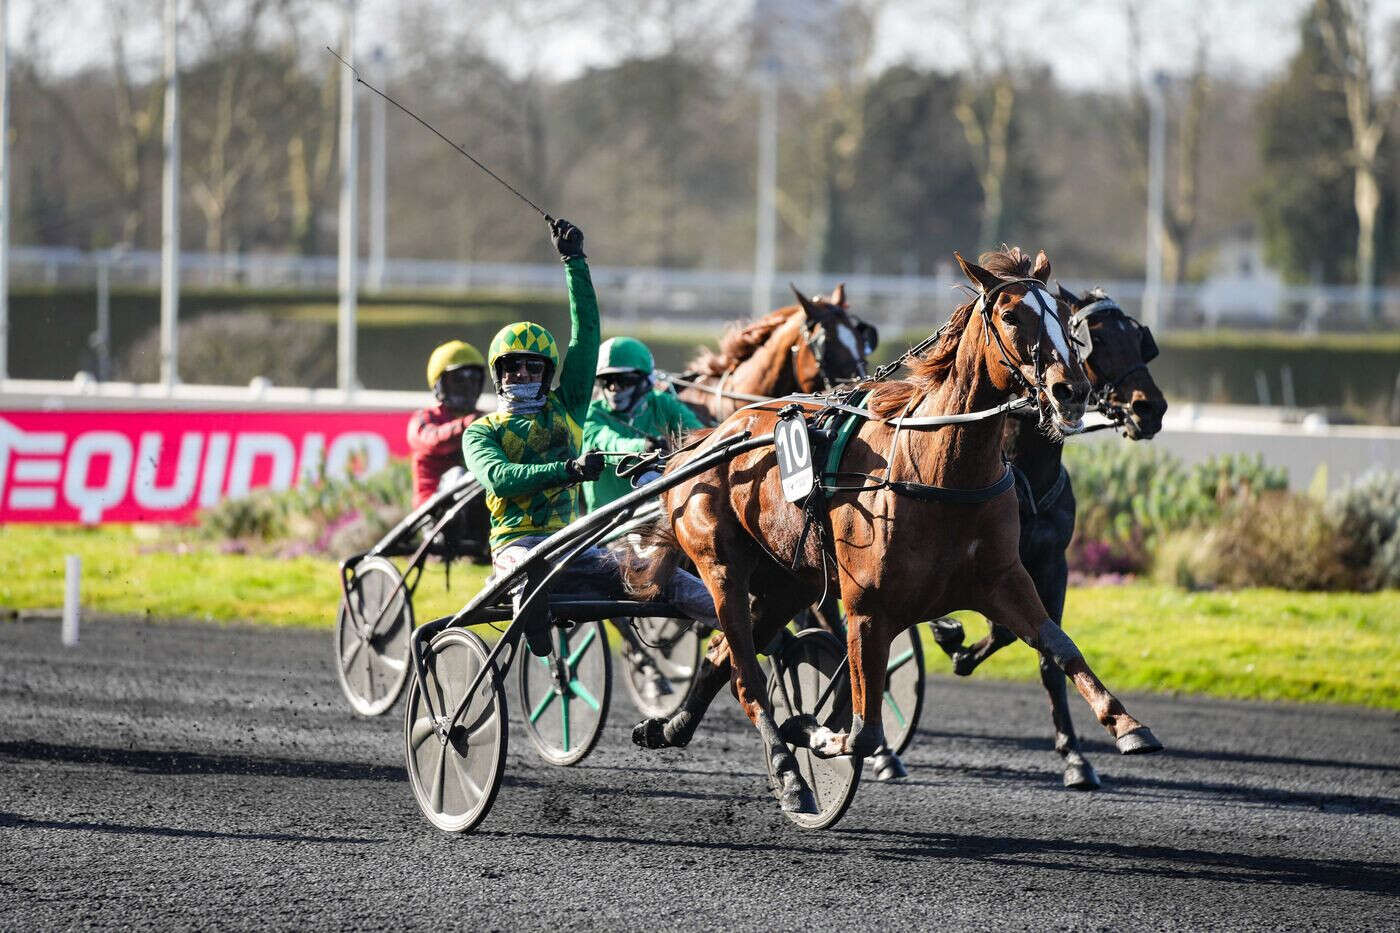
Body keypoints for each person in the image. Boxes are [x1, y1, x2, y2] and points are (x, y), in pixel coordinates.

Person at [462, 218, 717, 656]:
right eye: (513, 367)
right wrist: (567, 469)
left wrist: (574, 262)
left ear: (547, 374)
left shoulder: (568, 407)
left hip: (574, 543)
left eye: (534, 366)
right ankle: (534, 619)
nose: (523, 373)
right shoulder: (481, 432)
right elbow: (501, 478)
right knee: (527, 569)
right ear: (499, 373)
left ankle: (744, 620)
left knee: (663, 574)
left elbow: (586, 334)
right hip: (515, 548)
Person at [582, 336, 704, 512]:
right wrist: (643, 447)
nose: (614, 388)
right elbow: (609, 444)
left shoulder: (662, 402)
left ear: (644, 380)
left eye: (623, 380)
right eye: (608, 380)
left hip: (656, 516)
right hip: (608, 524)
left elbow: (699, 435)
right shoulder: (592, 415)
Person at [407, 340, 486, 507]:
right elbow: (433, 442)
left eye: (474, 379)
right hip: (433, 516)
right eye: (458, 379)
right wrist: (470, 425)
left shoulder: (482, 421)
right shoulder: (424, 418)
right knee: (457, 475)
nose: (467, 386)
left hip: (474, 511)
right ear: (439, 384)